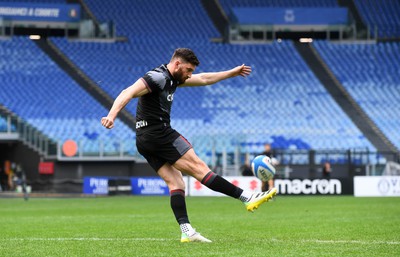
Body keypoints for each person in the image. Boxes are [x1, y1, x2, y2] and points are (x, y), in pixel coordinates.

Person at [101, 48, 277, 243]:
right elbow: (128, 91)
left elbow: (204, 79)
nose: (190, 74)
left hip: (144, 139)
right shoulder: (157, 77)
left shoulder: (173, 78)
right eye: (188, 70)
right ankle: (246, 197)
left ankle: (187, 231)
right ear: (177, 64)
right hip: (159, 133)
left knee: (176, 183)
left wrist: (232, 73)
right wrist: (111, 115)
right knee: (200, 169)